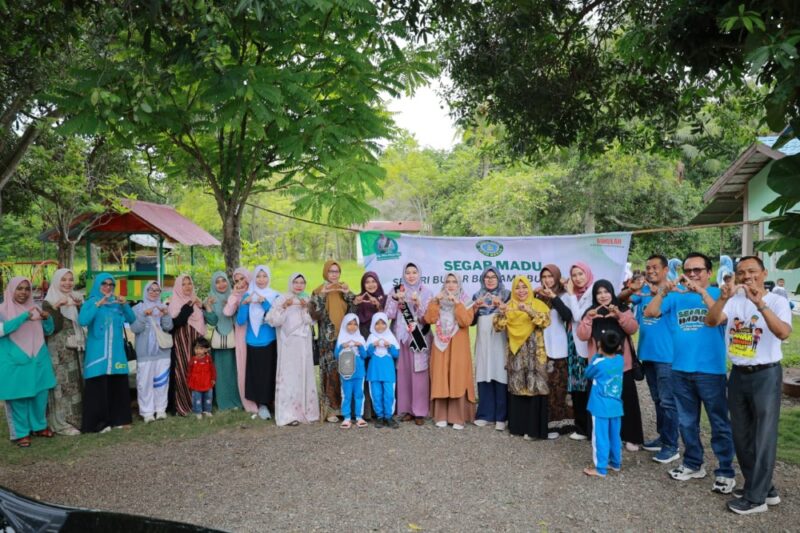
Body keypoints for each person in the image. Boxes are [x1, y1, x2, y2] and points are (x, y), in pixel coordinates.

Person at [705, 256, 793, 514]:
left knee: (763, 436)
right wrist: (722, 297)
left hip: (766, 374)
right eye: (741, 272)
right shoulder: (733, 301)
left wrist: (760, 304)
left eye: (752, 271)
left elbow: (783, 333)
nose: (746, 277)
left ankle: (756, 500)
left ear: (764, 273)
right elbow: (711, 321)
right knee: (741, 434)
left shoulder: (776, 301)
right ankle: (764, 488)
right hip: (739, 373)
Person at [644, 252, 737, 495]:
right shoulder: (675, 297)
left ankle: (726, 471)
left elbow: (717, 320)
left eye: (698, 270)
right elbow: (650, 313)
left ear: (709, 272)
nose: (693, 274)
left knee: (719, 423)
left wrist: (704, 293)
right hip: (680, 370)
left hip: (711, 371)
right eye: (689, 270)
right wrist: (664, 291)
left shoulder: (720, 295)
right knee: (687, 422)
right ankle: (693, 463)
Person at [620, 254, 679, 464]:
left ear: (665, 270)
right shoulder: (644, 291)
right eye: (647, 268)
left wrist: (659, 293)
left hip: (667, 356)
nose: (651, 271)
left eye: (655, 267)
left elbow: (654, 313)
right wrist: (633, 288)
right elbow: (621, 298)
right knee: (657, 399)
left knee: (668, 401)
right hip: (648, 355)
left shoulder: (673, 292)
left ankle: (672, 446)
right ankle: (663, 437)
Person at [577, 280, 643, 451]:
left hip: (622, 366)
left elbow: (633, 329)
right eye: (599, 293)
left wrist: (619, 316)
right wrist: (589, 319)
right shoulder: (590, 312)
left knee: (626, 401)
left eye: (606, 291)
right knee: (600, 403)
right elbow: (582, 336)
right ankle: (600, 436)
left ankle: (631, 437)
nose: (603, 295)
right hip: (599, 368)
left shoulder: (622, 308)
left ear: (612, 293)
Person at [492, 275, 551, 440]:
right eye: (517, 287)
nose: (521, 291)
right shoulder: (508, 306)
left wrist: (529, 310)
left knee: (535, 388)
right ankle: (518, 427)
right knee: (518, 388)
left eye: (524, 287)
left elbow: (545, 321)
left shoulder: (539, 304)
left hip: (535, 355)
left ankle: (534, 430)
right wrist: (502, 313)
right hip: (516, 354)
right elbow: (497, 326)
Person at [0, 277, 57, 447]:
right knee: (18, 397)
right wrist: (24, 317)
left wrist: (47, 318)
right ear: (11, 290)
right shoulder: (2, 310)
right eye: (19, 289)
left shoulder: (35, 307)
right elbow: (2, 331)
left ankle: (39, 426)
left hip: (38, 358)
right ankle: (21, 432)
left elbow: (49, 330)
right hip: (14, 361)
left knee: (39, 395)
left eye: (27, 289)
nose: (23, 293)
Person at [78, 273, 136, 432]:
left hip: (116, 353)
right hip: (98, 354)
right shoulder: (90, 302)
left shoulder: (117, 303)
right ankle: (99, 424)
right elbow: (83, 320)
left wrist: (125, 305)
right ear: (97, 285)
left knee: (117, 385)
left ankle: (119, 420)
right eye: (104, 283)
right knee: (98, 388)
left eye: (111, 284)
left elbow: (132, 319)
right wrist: (98, 304)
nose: (108, 287)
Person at [265, 273, 320, 426]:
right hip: (288, 344)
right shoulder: (282, 298)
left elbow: (312, 321)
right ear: (291, 283)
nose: (299, 285)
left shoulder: (308, 299)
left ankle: (307, 411)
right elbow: (272, 320)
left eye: (302, 282)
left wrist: (305, 308)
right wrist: (284, 307)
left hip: (304, 343)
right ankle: (289, 414)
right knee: (290, 376)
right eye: (296, 282)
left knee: (304, 373)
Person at [425, 273, 476, 430]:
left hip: (458, 345)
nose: (451, 285)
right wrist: (435, 301)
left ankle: (457, 417)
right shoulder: (438, 300)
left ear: (459, 284)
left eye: (454, 282)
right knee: (441, 375)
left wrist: (457, 304)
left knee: (457, 376)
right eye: (448, 281)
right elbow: (429, 319)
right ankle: (440, 416)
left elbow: (466, 321)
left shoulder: (466, 300)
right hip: (440, 345)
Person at [384, 262, 433, 425]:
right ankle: (406, 409)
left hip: (418, 337)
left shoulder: (426, 292)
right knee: (403, 373)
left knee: (419, 373)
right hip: (401, 337)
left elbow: (427, 317)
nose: (411, 275)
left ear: (419, 274)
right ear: (403, 274)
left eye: (414, 272)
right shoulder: (397, 290)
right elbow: (388, 314)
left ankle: (419, 411)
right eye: (408, 272)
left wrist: (418, 303)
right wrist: (395, 300)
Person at [310, 260, 355, 423]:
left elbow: (354, 311)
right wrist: (323, 294)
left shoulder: (343, 289)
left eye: (336, 271)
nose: (334, 274)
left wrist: (348, 293)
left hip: (344, 338)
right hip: (327, 341)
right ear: (325, 273)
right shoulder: (317, 291)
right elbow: (315, 315)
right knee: (330, 374)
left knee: (346, 371)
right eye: (331, 271)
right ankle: (330, 411)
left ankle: (346, 408)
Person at [42, 268, 85, 435]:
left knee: (76, 384)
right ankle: (61, 422)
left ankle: (77, 420)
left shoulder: (76, 298)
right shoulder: (48, 302)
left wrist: (80, 306)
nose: (68, 283)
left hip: (76, 348)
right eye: (63, 279)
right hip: (58, 351)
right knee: (62, 386)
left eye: (70, 279)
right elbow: (53, 329)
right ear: (56, 281)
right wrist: (56, 307)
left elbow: (84, 321)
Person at [236, 265, 279, 420]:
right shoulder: (247, 295)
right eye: (258, 276)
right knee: (258, 376)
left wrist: (264, 302)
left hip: (270, 340)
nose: (261, 280)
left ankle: (273, 402)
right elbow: (240, 321)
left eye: (264, 276)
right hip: (253, 341)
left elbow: (275, 318)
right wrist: (245, 303)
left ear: (269, 277)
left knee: (270, 373)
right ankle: (262, 405)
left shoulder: (275, 295)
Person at [536, 264, 574, 439]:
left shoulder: (564, 295)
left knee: (561, 386)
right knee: (547, 387)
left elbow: (568, 316)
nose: (547, 280)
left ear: (557, 277)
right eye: (544, 276)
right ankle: (549, 424)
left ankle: (564, 424)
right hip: (543, 347)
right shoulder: (538, 297)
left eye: (550, 276)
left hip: (560, 347)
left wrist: (554, 298)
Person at [471, 267, 511, 430]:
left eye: (493, 277)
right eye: (486, 277)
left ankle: (501, 416)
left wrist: (501, 305)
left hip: (500, 338)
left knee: (499, 373)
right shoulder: (477, 296)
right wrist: (475, 308)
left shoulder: (507, 295)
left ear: (499, 278)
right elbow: (471, 321)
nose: (490, 280)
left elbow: (512, 315)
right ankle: (485, 414)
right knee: (484, 371)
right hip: (483, 339)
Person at [583, 330, 625, 478]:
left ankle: (600, 468)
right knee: (615, 435)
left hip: (600, 407)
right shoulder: (620, 360)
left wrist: (596, 354)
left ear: (600, 344)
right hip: (616, 406)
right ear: (618, 346)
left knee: (600, 437)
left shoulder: (599, 363)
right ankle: (615, 462)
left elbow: (587, 373)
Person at [130, 281, 173, 423]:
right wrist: (143, 315)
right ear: (145, 291)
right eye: (151, 290)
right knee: (144, 383)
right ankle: (147, 412)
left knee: (161, 382)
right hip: (145, 353)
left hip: (162, 352)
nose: (154, 292)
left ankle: (160, 409)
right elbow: (135, 329)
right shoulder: (137, 308)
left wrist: (166, 314)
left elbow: (168, 327)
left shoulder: (163, 307)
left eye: (157, 290)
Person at [168, 274, 207, 417]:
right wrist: (189, 305)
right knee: (185, 370)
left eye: (189, 283)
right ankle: (184, 403)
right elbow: (177, 322)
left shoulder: (196, 301)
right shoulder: (174, 302)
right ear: (178, 287)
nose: (187, 287)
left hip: (196, 340)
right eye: (183, 284)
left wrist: (200, 305)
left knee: (199, 370)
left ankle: (199, 403)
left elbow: (203, 321)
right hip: (183, 340)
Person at [204, 272, 243, 411]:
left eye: (224, 281)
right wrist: (208, 307)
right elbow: (212, 322)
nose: (221, 284)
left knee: (235, 372)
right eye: (218, 282)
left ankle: (236, 400)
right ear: (214, 284)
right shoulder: (211, 298)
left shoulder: (234, 295)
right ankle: (223, 401)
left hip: (235, 339)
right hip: (219, 341)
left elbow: (240, 318)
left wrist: (233, 304)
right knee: (220, 373)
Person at [565, 262, 595, 440]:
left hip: (586, 345)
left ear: (588, 274)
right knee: (577, 386)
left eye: (580, 274)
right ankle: (581, 426)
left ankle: (589, 428)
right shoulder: (576, 294)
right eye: (574, 275)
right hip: (574, 345)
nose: (577, 278)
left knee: (588, 386)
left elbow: (577, 316)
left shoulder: (592, 293)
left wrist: (570, 294)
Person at [223, 267, 258, 414]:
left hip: (259, 333)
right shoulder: (237, 296)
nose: (240, 283)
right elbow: (227, 312)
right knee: (244, 365)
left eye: (242, 278)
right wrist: (234, 295)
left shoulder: (257, 291)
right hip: (242, 333)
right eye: (236, 281)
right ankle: (249, 403)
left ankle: (263, 399)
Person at [354, 271, 386, 420]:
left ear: (378, 282)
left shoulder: (384, 298)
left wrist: (378, 306)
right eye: (367, 282)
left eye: (373, 281)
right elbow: (351, 319)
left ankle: (380, 410)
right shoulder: (359, 298)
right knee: (363, 373)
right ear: (363, 285)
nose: (371, 285)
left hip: (379, 341)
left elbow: (387, 317)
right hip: (362, 337)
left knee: (377, 373)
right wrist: (355, 304)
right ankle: (366, 411)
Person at [365, 312, 400, 429]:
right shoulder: (371, 337)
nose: (380, 326)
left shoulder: (390, 337)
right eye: (377, 324)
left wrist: (389, 345)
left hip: (388, 373)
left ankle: (388, 417)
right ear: (373, 325)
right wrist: (373, 345)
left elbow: (396, 354)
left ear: (387, 324)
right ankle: (380, 417)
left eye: (383, 323)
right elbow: (366, 354)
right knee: (376, 395)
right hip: (374, 372)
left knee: (389, 394)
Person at [334, 313, 368, 429]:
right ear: (344, 325)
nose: (352, 327)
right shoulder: (341, 338)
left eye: (355, 324)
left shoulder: (361, 338)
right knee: (346, 395)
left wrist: (360, 346)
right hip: (346, 372)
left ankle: (359, 416)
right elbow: (336, 355)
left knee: (359, 394)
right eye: (349, 324)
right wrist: (342, 347)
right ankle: (347, 417)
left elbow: (364, 355)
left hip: (359, 372)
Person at [187, 337, 216, 420]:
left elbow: (213, 370)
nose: (198, 351)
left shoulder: (208, 359)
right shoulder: (193, 360)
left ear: (206, 350)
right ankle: (198, 412)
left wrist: (213, 379)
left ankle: (207, 411)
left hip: (208, 383)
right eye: (196, 348)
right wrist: (189, 381)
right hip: (196, 385)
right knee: (197, 399)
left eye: (201, 349)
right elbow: (189, 372)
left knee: (208, 398)